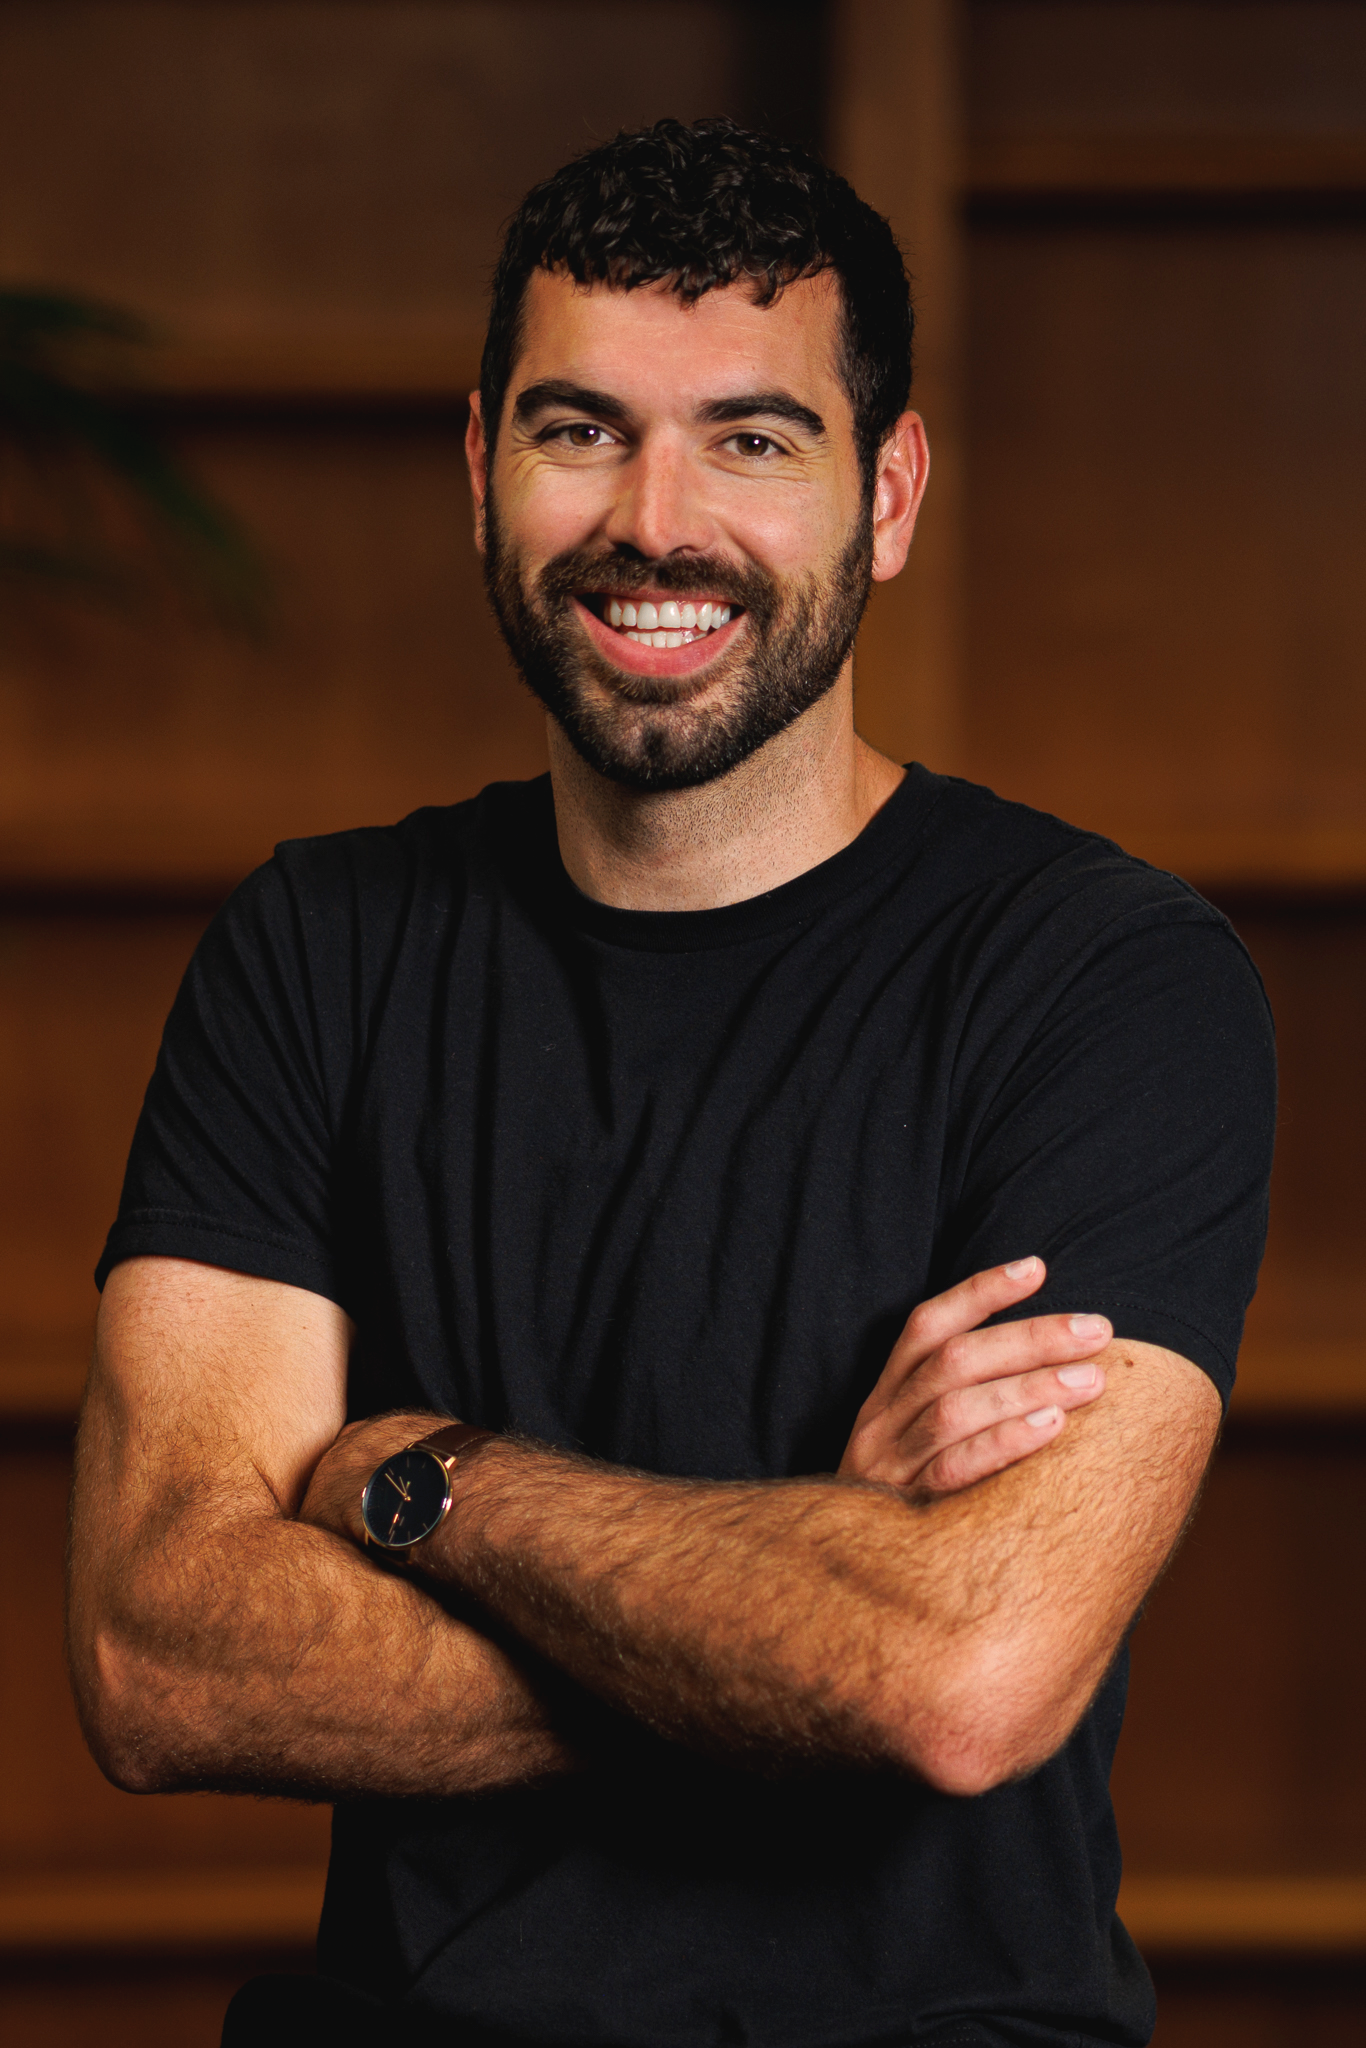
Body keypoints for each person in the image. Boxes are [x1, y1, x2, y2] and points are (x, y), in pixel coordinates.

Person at [67, 118, 1275, 2048]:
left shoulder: (1101, 981)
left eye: (750, 437)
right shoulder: (317, 948)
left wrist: (417, 1480)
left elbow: (960, 1676)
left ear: (884, 493)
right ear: (481, 469)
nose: (653, 519)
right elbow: (159, 1660)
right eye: (577, 429)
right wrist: (808, 1587)